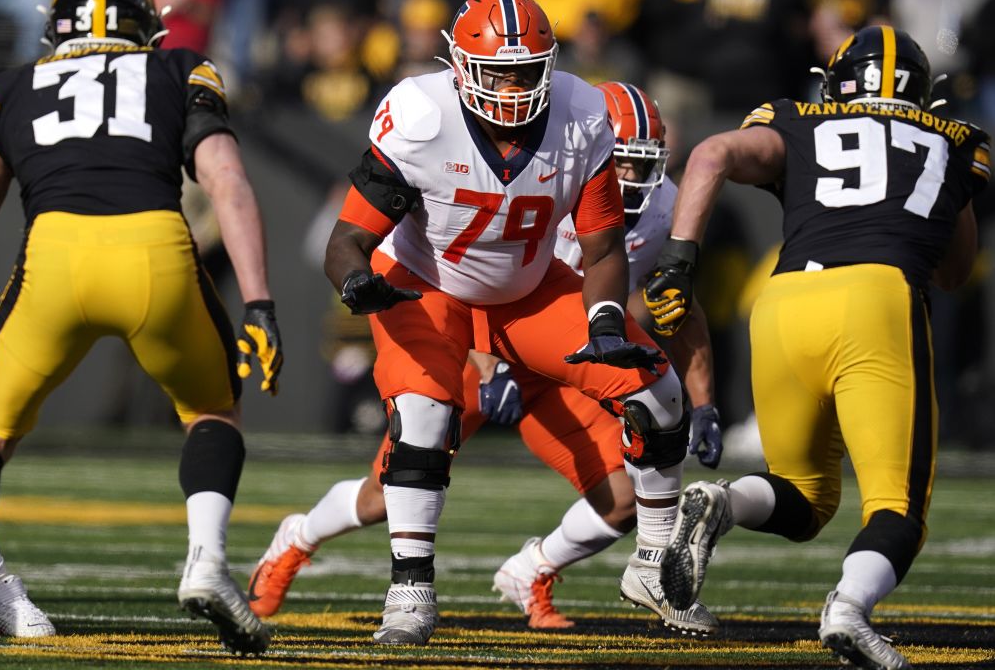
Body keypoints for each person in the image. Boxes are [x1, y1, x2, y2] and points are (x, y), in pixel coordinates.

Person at [248, 81, 724, 634]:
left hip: (557, 349)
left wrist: (703, 401)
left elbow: (677, 305)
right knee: (392, 485)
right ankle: (300, 537)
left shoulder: (661, 204)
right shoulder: (545, 168)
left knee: (622, 497)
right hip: (478, 342)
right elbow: (475, 275)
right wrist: (487, 364)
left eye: (643, 167)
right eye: (620, 164)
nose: (631, 181)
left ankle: (535, 570)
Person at [321, 0, 694, 646]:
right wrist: (355, 282)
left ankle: (654, 562)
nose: (515, 86)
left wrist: (605, 319)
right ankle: (410, 590)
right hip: (425, 281)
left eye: (528, 70)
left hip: (529, 288)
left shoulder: (581, 115)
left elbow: (604, 246)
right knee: (426, 417)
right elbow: (347, 238)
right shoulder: (420, 115)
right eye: (499, 71)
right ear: (460, 66)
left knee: (660, 392)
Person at [644, 25, 990, 670]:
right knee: (897, 507)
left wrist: (678, 261)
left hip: (781, 303)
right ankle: (849, 610)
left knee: (805, 500)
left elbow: (712, 153)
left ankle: (721, 502)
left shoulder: (796, 118)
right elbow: (954, 272)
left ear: (836, 84)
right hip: (878, 300)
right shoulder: (954, 139)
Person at [0, 0, 282, 656]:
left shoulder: (10, 85)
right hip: (154, 252)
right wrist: (258, 301)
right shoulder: (177, 69)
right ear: (145, 29)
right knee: (211, 412)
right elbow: (227, 180)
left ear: (56, 31)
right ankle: (206, 562)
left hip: (53, 258)